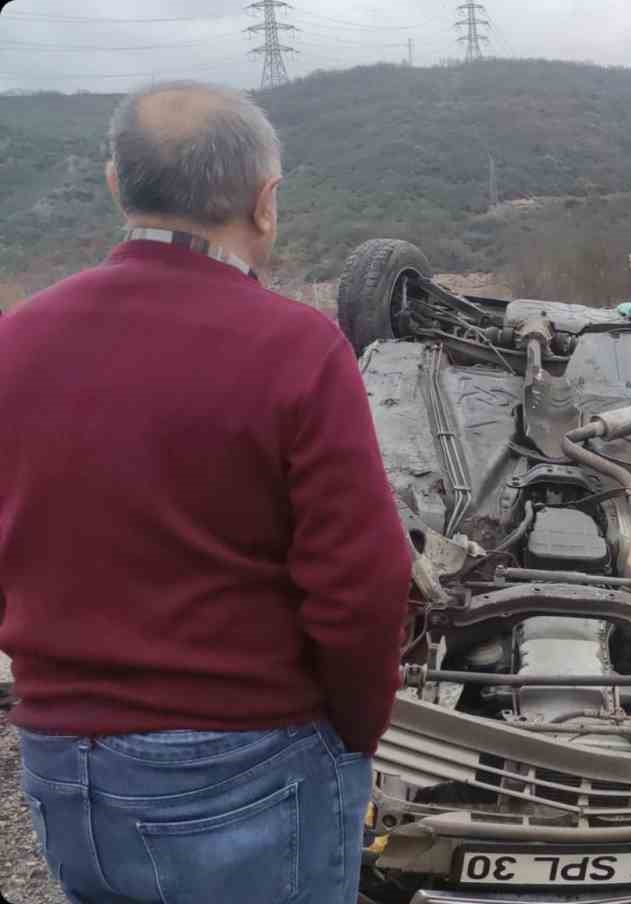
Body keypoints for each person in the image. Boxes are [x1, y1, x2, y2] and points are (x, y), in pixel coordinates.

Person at [0, 81, 411, 903]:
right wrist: (354, 731)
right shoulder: (297, 347)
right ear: (267, 202)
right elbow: (363, 584)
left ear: (118, 186)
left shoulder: (16, 339)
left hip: (59, 762)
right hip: (243, 765)